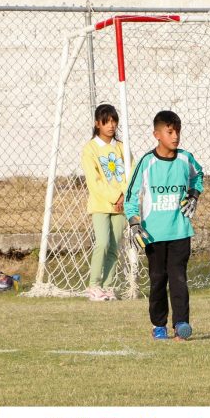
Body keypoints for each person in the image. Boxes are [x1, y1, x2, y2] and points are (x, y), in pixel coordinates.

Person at [125, 111, 204, 341]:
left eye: (178, 131)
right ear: (157, 134)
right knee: (158, 278)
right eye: (170, 132)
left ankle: (181, 324)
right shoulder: (147, 162)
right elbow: (131, 195)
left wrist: (193, 195)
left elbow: (198, 176)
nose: (175, 136)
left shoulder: (185, 158)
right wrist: (133, 222)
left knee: (178, 278)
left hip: (180, 231)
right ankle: (158, 324)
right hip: (153, 234)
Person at [81, 104, 128, 301]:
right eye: (106, 121)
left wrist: (125, 196)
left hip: (122, 205)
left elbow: (131, 172)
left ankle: (108, 286)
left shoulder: (121, 147)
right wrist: (115, 196)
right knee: (102, 242)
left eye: (113, 121)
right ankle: (93, 285)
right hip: (102, 204)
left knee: (115, 246)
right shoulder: (90, 149)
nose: (111, 125)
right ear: (97, 123)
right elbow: (94, 180)